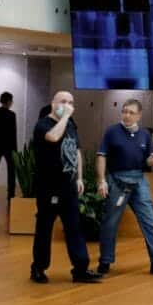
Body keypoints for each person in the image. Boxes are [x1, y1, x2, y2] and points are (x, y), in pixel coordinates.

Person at [30, 91, 102, 284]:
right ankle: (38, 268)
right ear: (53, 103)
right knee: (44, 228)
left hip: (68, 186)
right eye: (63, 101)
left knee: (74, 227)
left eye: (70, 102)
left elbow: (76, 151)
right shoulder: (43, 124)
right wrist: (66, 116)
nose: (67, 105)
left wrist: (79, 177)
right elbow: (53, 138)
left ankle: (80, 269)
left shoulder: (71, 125)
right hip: (48, 187)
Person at [96, 99, 153, 276]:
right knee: (110, 222)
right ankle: (105, 261)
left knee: (150, 221)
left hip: (139, 180)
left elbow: (148, 158)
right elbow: (102, 156)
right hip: (117, 181)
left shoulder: (145, 134)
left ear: (139, 115)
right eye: (124, 111)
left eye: (131, 112)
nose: (127, 115)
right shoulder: (112, 132)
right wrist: (102, 181)